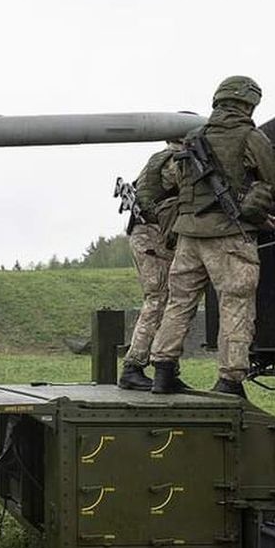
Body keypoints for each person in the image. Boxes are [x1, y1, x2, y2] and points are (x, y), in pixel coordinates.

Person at [149, 76, 275, 397]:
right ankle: (230, 380)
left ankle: (162, 371)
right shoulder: (249, 137)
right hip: (228, 235)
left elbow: (171, 180)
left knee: (179, 303)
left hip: (187, 236)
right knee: (236, 304)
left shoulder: (191, 138)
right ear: (248, 103)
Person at [117, 139, 180, 390]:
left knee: (166, 299)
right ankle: (133, 366)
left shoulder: (161, 159)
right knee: (159, 298)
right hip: (152, 235)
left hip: (148, 234)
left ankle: (165, 369)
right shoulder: (174, 161)